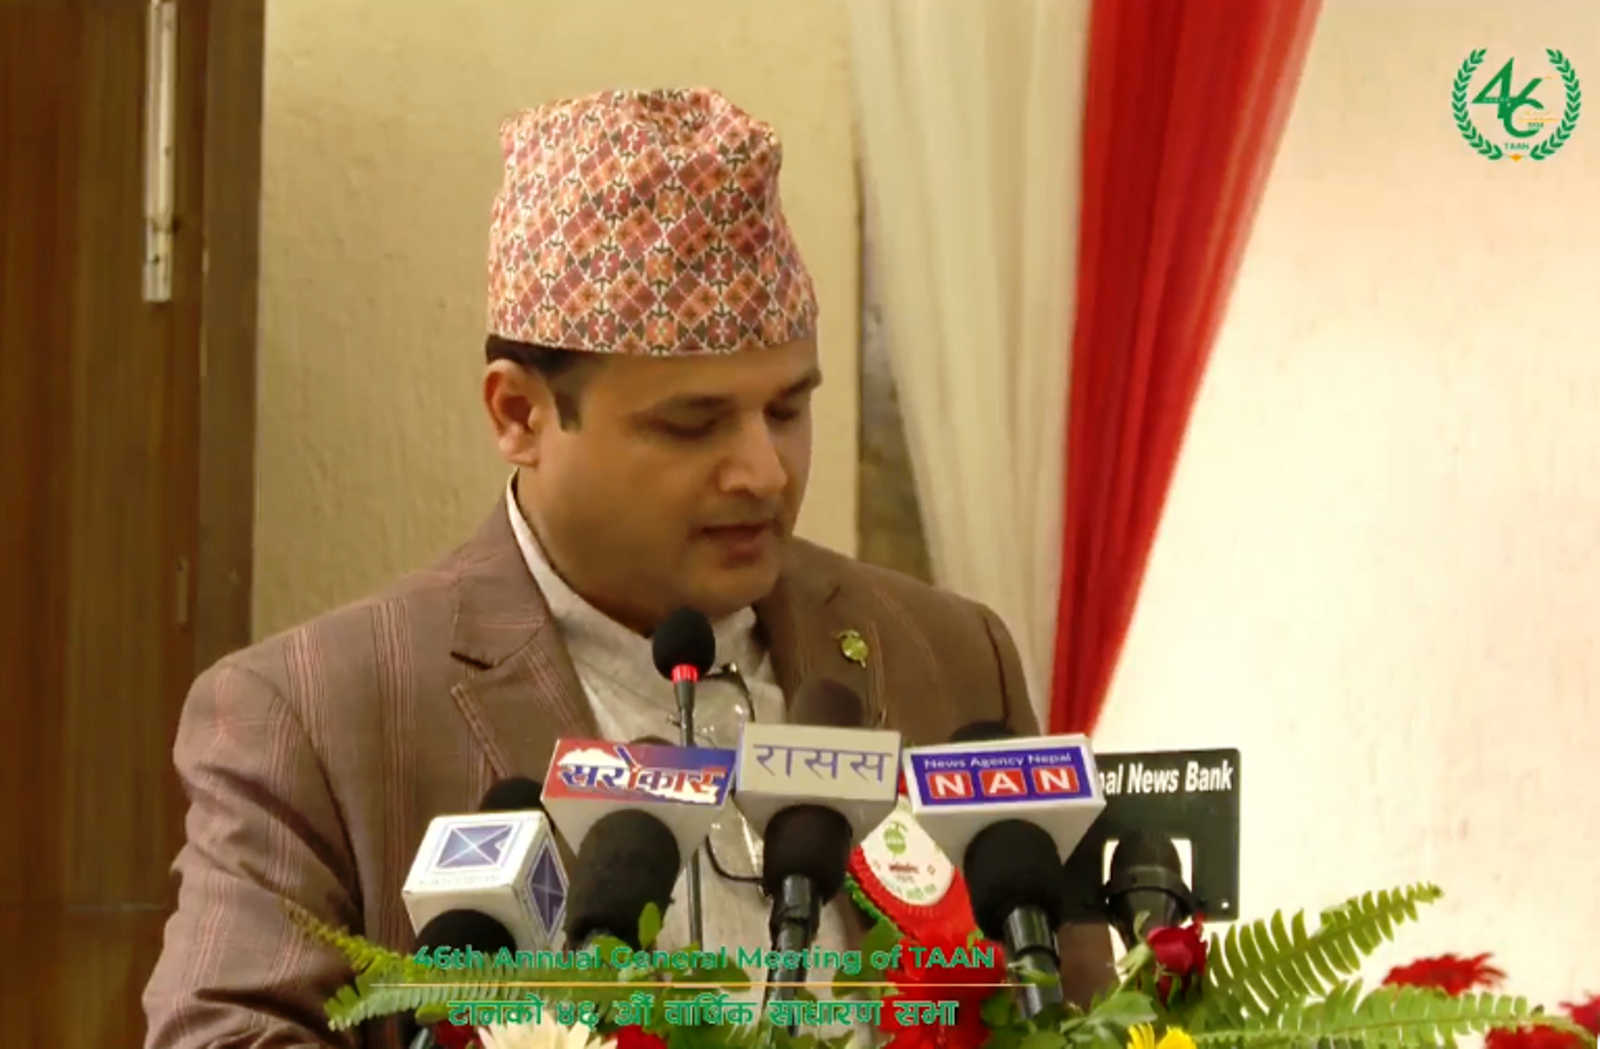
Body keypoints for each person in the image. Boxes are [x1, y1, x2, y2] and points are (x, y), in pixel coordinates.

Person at [142, 87, 1115, 1048]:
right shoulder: (315, 714)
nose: (764, 470)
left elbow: (1085, 1021)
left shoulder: (948, 654)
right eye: (693, 423)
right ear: (519, 414)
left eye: (787, 408)